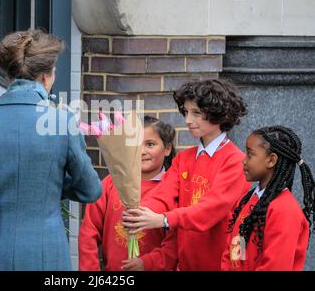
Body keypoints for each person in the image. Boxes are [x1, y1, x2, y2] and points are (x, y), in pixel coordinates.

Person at [0, 29, 102, 271]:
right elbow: (90, 190)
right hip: (48, 253)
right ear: (47, 76)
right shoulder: (61, 121)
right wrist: (52, 184)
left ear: (9, 75)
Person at [121, 79, 250, 271]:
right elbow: (163, 194)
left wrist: (164, 219)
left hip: (222, 264)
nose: (188, 120)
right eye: (187, 112)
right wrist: (139, 213)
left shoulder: (235, 161)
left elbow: (210, 210)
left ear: (219, 114)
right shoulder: (184, 158)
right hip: (186, 263)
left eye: (197, 113)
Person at [79, 116, 176, 271]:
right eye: (135, 145)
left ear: (167, 148)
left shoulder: (174, 187)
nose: (142, 151)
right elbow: (89, 231)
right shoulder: (111, 183)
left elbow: (175, 242)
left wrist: (149, 262)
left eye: (150, 144)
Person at [221, 126, 314, 271]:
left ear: (271, 160)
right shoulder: (248, 200)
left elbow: (276, 266)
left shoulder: (285, 210)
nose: (243, 161)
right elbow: (233, 249)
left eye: (250, 155)